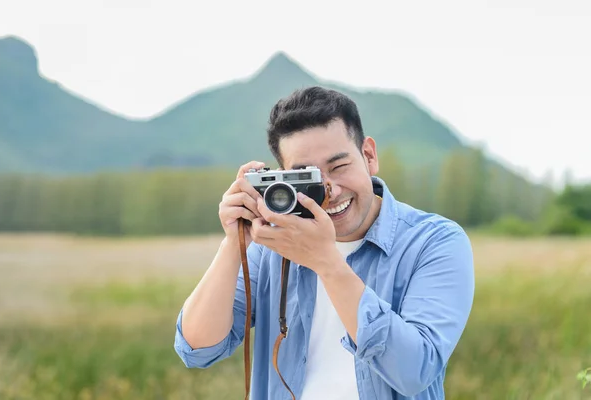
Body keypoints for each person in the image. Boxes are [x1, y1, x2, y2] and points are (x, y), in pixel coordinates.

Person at [174, 86, 475, 399]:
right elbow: (197, 349)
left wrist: (326, 261)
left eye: (339, 166)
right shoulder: (270, 246)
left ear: (369, 156)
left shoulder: (434, 242)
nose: (328, 190)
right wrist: (234, 241)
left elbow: (416, 371)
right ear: (282, 181)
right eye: (307, 176)